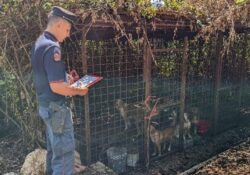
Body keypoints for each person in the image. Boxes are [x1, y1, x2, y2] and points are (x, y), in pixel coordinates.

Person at [31, 6, 88, 175]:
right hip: (56, 109)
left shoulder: (39, 42)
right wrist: (79, 91)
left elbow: (47, 76)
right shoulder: (52, 47)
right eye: (68, 29)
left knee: (54, 150)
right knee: (64, 154)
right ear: (59, 25)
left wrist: (67, 78)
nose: (68, 34)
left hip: (46, 106)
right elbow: (56, 87)